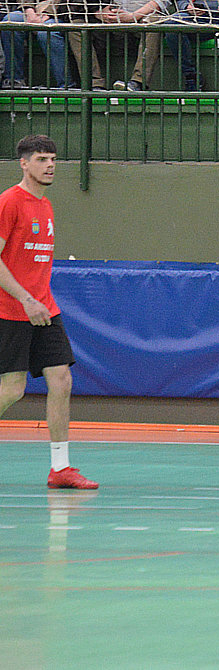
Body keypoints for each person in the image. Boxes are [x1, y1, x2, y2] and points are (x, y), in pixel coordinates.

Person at [0, 135, 97, 490]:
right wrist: (26, 299)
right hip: (12, 309)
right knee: (13, 389)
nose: (50, 165)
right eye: (41, 159)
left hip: (44, 310)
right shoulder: (9, 202)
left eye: (53, 159)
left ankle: (60, 468)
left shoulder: (45, 206)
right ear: (24, 163)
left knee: (61, 379)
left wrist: (38, 301)